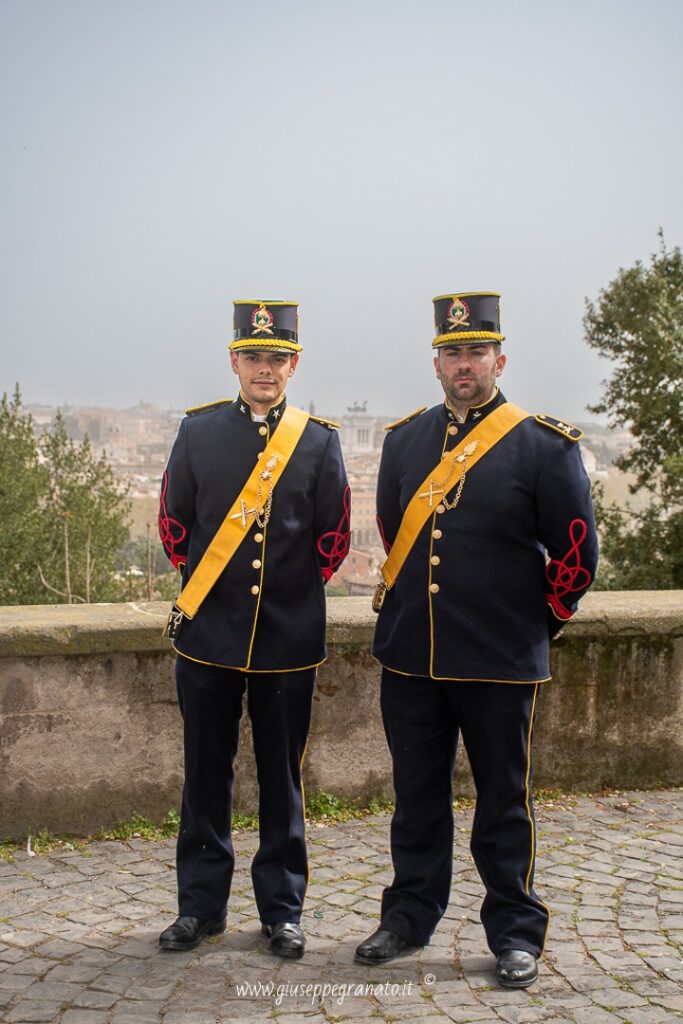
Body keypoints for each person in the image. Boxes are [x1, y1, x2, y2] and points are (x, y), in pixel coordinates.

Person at [355, 291, 598, 988]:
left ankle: (514, 932)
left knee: (503, 803)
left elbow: (576, 556)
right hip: (412, 657)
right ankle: (406, 917)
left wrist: (533, 627)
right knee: (415, 798)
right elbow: (396, 538)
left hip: (499, 659)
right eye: (452, 351)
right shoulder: (404, 442)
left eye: (476, 351)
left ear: (500, 358)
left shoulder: (543, 446)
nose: (464, 364)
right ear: (436, 361)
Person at [157, 299, 350, 959]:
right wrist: (215, 592)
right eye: (252, 357)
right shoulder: (197, 432)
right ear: (233, 361)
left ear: (292, 364)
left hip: (288, 640)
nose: (263, 369)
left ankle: (282, 911)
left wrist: (287, 595)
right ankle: (199, 909)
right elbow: (174, 525)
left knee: (282, 780)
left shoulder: (319, 441)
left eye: (276, 358)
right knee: (204, 776)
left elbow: (333, 538)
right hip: (208, 638)